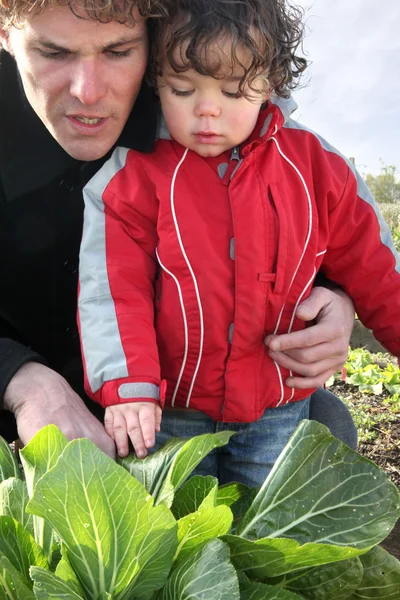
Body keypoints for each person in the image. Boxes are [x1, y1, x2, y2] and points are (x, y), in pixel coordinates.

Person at [0, 0, 355, 461]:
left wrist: (335, 297)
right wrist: (23, 381)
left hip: (159, 405)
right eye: (54, 53)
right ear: (6, 36)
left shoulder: (198, 108)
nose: (87, 91)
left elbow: (297, 215)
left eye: (118, 51)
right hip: (21, 400)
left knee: (327, 424)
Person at [78, 0, 400, 487]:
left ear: (269, 83)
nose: (207, 110)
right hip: (171, 414)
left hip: (277, 408)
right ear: (156, 79)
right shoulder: (131, 177)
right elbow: (113, 290)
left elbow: (377, 270)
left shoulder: (317, 166)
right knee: (178, 531)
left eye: (232, 91)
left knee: (267, 533)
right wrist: (130, 387)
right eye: (181, 89)